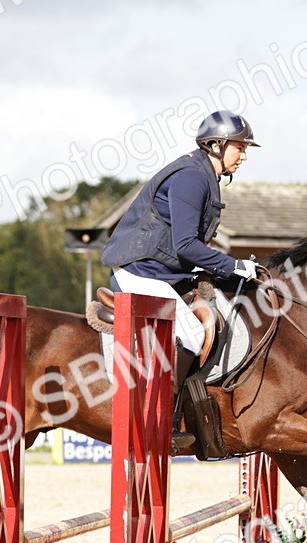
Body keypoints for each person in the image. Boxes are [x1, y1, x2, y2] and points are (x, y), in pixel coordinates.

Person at [100, 110, 261, 409]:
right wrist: (234, 265)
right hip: (141, 271)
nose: (244, 156)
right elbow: (186, 245)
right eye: (240, 147)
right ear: (216, 145)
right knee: (193, 333)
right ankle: (164, 413)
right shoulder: (191, 177)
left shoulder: (203, 173)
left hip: (160, 270)